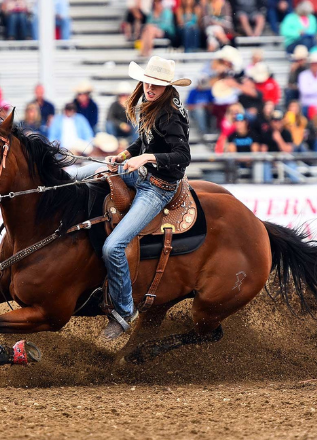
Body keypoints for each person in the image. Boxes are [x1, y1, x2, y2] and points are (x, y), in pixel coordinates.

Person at [100, 56, 191, 338]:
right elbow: (144, 140)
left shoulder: (170, 115)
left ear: (167, 88)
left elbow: (183, 156)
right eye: (148, 82)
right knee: (88, 174)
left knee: (113, 247)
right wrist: (125, 155)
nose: (150, 87)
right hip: (143, 174)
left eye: (157, 84)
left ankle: (126, 310)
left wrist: (145, 159)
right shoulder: (149, 107)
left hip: (158, 188)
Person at [259, 110, 300, 183]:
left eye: (279, 120)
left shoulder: (286, 133)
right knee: (264, 164)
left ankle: (296, 184)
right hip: (270, 159)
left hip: (284, 158)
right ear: (271, 122)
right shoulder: (266, 133)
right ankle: (267, 187)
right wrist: (273, 160)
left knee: (291, 163)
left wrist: (279, 139)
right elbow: (263, 151)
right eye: (274, 120)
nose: (277, 123)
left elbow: (289, 150)